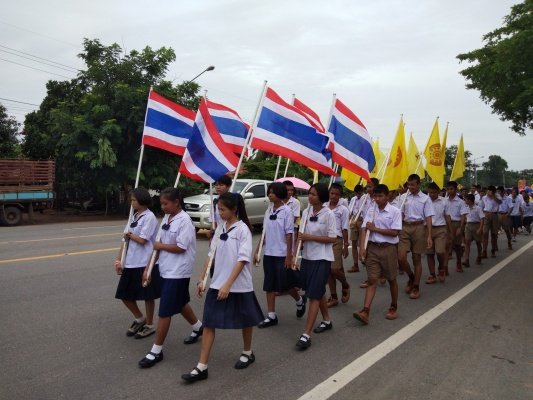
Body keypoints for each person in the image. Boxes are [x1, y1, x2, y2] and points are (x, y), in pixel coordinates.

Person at [182, 192, 264, 382]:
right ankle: (202, 366)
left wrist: (228, 284)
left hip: (239, 285)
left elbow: (242, 259)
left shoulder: (243, 229)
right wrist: (202, 278)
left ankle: (247, 352)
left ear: (234, 209)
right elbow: (211, 255)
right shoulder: (220, 228)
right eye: (218, 209)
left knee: (246, 320)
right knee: (209, 322)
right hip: (217, 283)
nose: (219, 213)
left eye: (222, 210)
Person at [138, 188, 203, 368]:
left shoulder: (185, 222)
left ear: (177, 202)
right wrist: (148, 268)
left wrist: (160, 245)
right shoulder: (166, 219)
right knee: (180, 303)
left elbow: (181, 247)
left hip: (178, 271)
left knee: (165, 310)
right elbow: (157, 247)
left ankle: (156, 351)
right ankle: (198, 327)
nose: (163, 207)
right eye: (161, 204)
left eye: (166, 203)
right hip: (165, 269)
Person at [255, 182, 305, 328]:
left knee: (286, 284)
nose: (270, 194)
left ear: (280, 194)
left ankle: (299, 300)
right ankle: (271, 316)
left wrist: (289, 255)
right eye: (269, 192)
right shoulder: (268, 210)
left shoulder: (286, 211)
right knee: (269, 284)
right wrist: (258, 250)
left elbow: (289, 234)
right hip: (269, 253)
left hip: (282, 253)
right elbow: (264, 232)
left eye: (273, 192)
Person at [294, 183, 337, 350]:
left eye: (313, 194)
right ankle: (327, 320)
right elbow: (301, 235)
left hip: (322, 258)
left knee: (313, 295)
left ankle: (306, 334)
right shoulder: (305, 212)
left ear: (321, 197)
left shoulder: (329, 215)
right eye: (309, 194)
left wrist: (309, 237)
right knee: (317, 290)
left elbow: (332, 238)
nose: (310, 197)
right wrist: (295, 253)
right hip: (307, 257)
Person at [114, 187, 161, 339]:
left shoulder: (149, 217)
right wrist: (118, 259)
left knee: (148, 296)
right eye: (131, 200)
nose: (131, 202)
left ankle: (149, 324)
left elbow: (142, 239)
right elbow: (124, 240)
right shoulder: (133, 216)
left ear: (142, 200)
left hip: (144, 262)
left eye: (134, 200)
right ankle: (139, 318)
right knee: (124, 294)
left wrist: (129, 234)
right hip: (130, 262)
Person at [353, 184, 402, 324]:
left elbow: (395, 232)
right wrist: (362, 247)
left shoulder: (395, 211)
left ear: (388, 196)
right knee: (372, 279)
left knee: (392, 279)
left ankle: (393, 306)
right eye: (375, 196)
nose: (378, 199)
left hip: (389, 249)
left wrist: (375, 229)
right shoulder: (371, 210)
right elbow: (364, 229)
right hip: (373, 248)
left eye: (381, 196)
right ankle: (365, 311)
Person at [398, 174, 434, 300]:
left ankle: (416, 286)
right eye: (408, 184)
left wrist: (429, 236)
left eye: (412, 185)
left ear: (418, 184)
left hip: (419, 228)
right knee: (401, 258)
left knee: (416, 258)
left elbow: (429, 217)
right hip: (405, 228)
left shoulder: (425, 199)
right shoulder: (403, 197)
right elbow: (400, 214)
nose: (410, 187)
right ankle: (412, 277)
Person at [325, 183, 350, 307]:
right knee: (329, 271)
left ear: (340, 196)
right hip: (324, 241)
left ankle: (345, 284)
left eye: (337, 194)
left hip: (337, 241)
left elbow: (345, 228)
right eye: (332, 193)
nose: (334, 196)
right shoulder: (324, 206)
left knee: (334, 268)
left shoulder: (343, 210)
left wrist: (346, 245)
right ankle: (333, 296)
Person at [425, 183, 448, 283]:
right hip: (427, 229)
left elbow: (447, 216)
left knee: (440, 252)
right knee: (429, 253)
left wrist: (450, 231)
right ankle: (432, 274)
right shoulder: (424, 201)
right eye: (430, 192)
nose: (432, 194)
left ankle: (441, 268)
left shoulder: (444, 201)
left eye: (434, 192)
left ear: (438, 192)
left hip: (440, 229)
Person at [445, 181, 468, 273]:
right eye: (448, 189)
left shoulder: (460, 202)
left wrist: (460, 227)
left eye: (451, 189)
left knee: (457, 245)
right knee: (446, 245)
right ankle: (445, 266)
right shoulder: (444, 200)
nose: (449, 191)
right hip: (446, 224)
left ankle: (458, 263)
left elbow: (463, 216)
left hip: (456, 223)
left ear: (456, 189)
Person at [347, 184, 365, 273]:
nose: (358, 195)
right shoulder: (353, 199)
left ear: (362, 191)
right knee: (353, 242)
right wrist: (350, 220)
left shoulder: (365, 198)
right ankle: (355, 265)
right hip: (354, 220)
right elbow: (350, 210)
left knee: (363, 242)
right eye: (357, 193)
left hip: (362, 220)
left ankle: (364, 257)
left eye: (359, 193)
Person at [208, 175, 232, 239]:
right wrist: (212, 237)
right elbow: (213, 221)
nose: (218, 187)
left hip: (230, 234)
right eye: (216, 185)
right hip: (218, 235)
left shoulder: (233, 201)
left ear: (228, 186)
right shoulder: (214, 202)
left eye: (221, 185)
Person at [463, 194, 484, 266]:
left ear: (470, 200)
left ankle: (479, 256)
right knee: (467, 242)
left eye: (466, 199)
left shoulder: (478, 208)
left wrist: (480, 228)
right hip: (468, 225)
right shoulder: (465, 208)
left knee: (478, 242)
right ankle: (466, 259)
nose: (465, 201)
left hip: (476, 225)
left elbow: (482, 219)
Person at [481, 185, 502, 258]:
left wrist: (493, 196)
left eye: (490, 191)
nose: (488, 192)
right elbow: (481, 207)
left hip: (494, 215)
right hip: (486, 215)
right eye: (488, 190)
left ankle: (493, 250)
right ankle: (484, 251)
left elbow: (500, 202)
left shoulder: (497, 195)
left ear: (493, 192)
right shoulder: (484, 197)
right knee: (485, 233)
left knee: (494, 234)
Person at [283, 180, 301, 255]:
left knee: (290, 250)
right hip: (280, 229)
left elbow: (294, 218)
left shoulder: (295, 202)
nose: (290, 192)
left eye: (292, 190)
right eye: (287, 190)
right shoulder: (279, 201)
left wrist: (284, 227)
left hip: (291, 229)